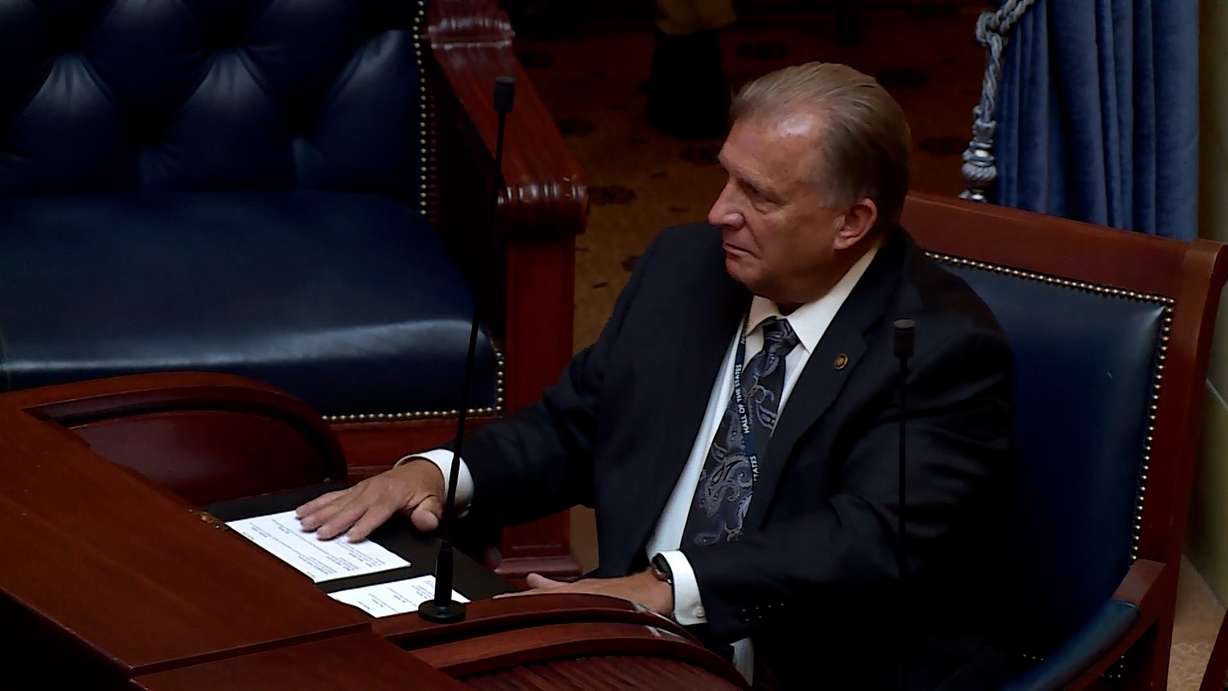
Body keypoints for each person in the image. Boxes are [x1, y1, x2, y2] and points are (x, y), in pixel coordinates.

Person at [296, 62, 1014, 690]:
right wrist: (440, 474)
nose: (718, 212)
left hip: (800, 668)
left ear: (851, 222)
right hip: (626, 643)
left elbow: (861, 539)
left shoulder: (940, 348)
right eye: (724, 175)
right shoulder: (686, 268)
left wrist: (665, 587)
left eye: (758, 196)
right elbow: (578, 424)